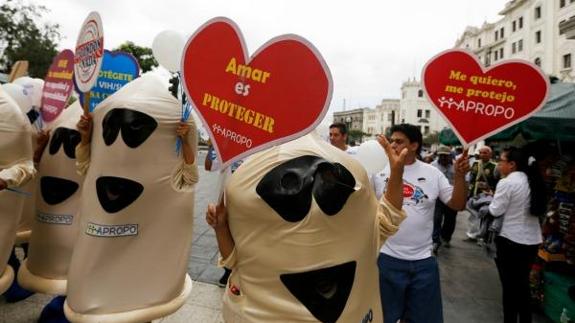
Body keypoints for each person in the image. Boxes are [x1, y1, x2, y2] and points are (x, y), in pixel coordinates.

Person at [205, 132, 408, 322]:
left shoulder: (359, 234)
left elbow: (388, 219)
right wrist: (221, 227)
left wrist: (397, 172)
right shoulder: (359, 233)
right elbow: (234, 260)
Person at [373, 123, 469, 323]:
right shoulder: (378, 172)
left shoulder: (433, 173)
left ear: (415, 145)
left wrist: (460, 176)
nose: (393, 145)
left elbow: (458, 204)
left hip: (423, 262)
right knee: (384, 317)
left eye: (400, 142)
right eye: (392, 141)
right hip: (386, 259)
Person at [489, 147, 544, 323]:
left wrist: (492, 200)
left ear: (512, 164)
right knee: (522, 285)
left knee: (509, 287)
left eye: (501, 160)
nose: (499, 164)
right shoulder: (533, 180)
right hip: (532, 240)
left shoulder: (507, 182)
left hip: (510, 240)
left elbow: (495, 210)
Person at [466, 145, 499, 241]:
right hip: (474, 193)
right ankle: (471, 234)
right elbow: (471, 177)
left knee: (483, 215)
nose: (482, 155)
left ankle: (481, 236)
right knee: (472, 215)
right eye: (480, 152)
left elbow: (496, 181)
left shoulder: (494, 166)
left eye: (485, 153)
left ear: (490, 154)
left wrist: (491, 191)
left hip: (485, 196)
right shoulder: (475, 163)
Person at [431, 145, 458, 254]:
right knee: (436, 218)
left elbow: (462, 181)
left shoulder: (456, 166)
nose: (442, 158)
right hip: (437, 197)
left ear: (450, 156)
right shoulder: (432, 166)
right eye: (440, 155)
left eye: (445, 156)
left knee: (450, 219)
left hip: (452, 196)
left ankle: (446, 238)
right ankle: (435, 240)